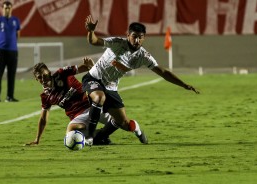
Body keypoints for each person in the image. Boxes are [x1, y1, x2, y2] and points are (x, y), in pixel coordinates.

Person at [82, 15, 200, 144]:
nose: (137, 40)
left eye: (140, 37)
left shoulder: (143, 56)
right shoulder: (117, 43)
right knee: (99, 97)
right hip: (94, 78)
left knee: (123, 123)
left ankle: (101, 137)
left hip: (111, 87)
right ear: (128, 35)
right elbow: (94, 41)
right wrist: (91, 31)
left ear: (144, 38)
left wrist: (183, 85)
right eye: (134, 36)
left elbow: (163, 72)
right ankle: (89, 136)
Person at [25, 58, 127, 147]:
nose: (43, 79)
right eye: (39, 77)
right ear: (36, 79)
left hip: (92, 106)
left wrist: (92, 66)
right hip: (78, 117)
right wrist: (37, 139)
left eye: (44, 75)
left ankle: (137, 131)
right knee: (70, 134)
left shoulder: (61, 74)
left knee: (123, 123)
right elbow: (43, 118)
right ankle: (101, 136)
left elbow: (84, 68)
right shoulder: (45, 96)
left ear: (49, 72)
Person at [0, 0, 20, 102]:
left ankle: (10, 96)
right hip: (0, 51)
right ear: (2, 9)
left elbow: (17, 34)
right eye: (5, 8)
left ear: (11, 8)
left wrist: (12, 45)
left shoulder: (16, 20)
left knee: (11, 75)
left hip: (12, 51)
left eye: (9, 8)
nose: (7, 9)